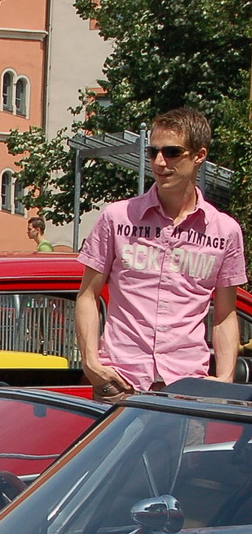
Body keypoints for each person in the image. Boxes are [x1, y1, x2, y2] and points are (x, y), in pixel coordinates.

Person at [76, 106, 247, 400]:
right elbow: (87, 295)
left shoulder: (225, 231)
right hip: (120, 381)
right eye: (153, 151)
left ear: (199, 156)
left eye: (172, 152)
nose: (159, 162)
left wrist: (225, 378)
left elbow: (224, 315)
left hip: (188, 387)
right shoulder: (117, 218)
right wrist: (92, 363)